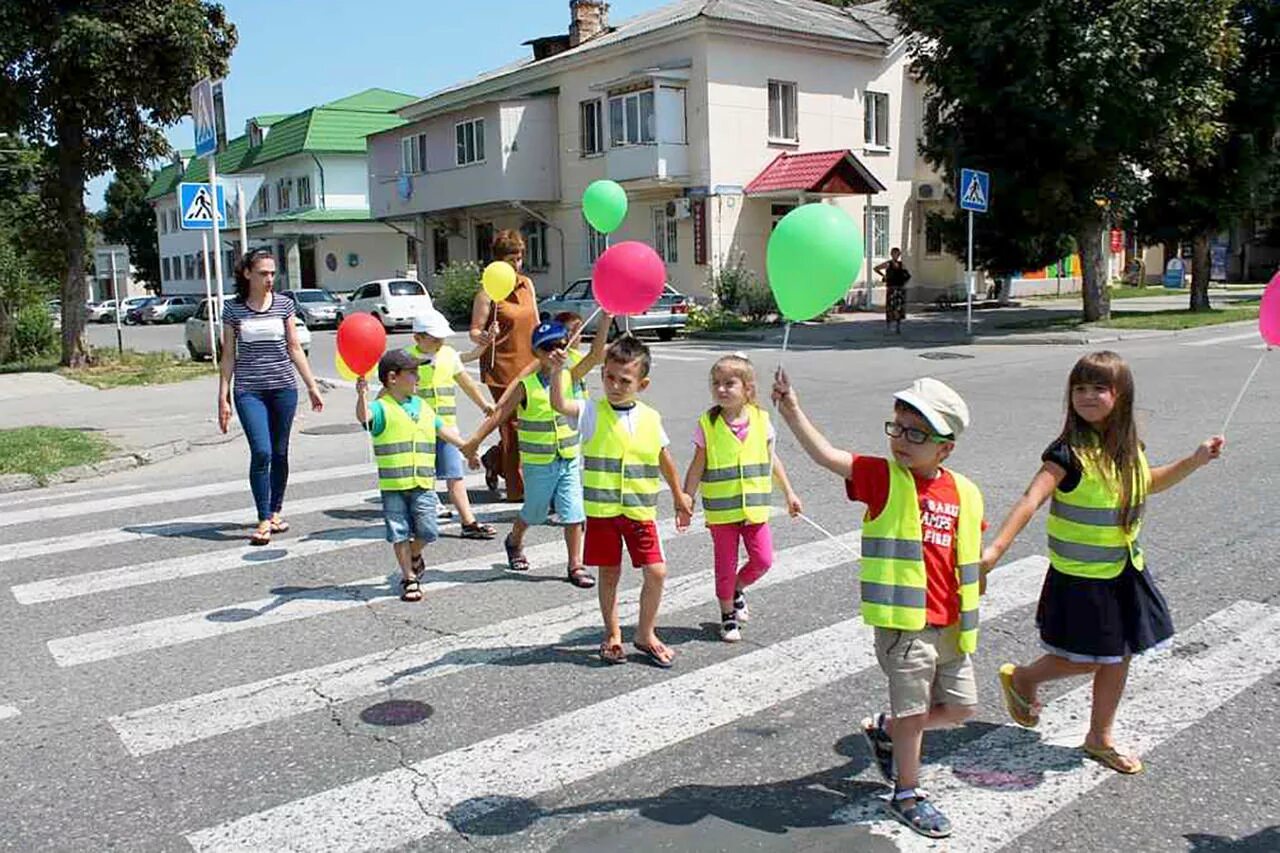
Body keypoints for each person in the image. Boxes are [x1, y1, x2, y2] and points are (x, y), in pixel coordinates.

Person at [980, 351, 1224, 775]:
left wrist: (1195, 460)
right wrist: (995, 551)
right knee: (1094, 657)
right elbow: (1031, 499)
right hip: (1081, 578)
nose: (1087, 396)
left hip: (1124, 571)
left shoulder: (1127, 449)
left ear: (1121, 396)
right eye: (1079, 388)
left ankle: (1099, 737)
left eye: (1099, 388)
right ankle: (1024, 679)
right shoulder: (1066, 454)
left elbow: (1148, 483)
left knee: (1120, 655)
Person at [771, 369, 983, 839]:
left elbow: (967, 554)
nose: (902, 441)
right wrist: (791, 410)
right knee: (913, 717)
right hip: (904, 627)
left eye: (917, 433)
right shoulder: (883, 478)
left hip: (952, 626)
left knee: (963, 708)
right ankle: (907, 793)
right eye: (898, 428)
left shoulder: (965, 492)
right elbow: (828, 456)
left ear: (945, 447)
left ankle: (886, 729)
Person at [548, 336, 693, 668]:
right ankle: (613, 635)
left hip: (640, 511)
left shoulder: (651, 417)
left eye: (624, 380)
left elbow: (661, 455)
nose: (614, 385)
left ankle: (645, 634)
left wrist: (678, 494)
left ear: (642, 384)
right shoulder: (590, 411)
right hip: (602, 513)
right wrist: (559, 372)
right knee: (609, 574)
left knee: (656, 572)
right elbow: (559, 404)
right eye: (609, 377)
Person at [464, 315, 610, 588]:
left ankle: (575, 564)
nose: (555, 351)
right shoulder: (527, 386)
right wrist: (473, 442)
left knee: (574, 512)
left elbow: (597, 353)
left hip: (568, 458)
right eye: (547, 347)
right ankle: (514, 540)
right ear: (536, 353)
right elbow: (499, 416)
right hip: (538, 464)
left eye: (560, 344)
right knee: (534, 512)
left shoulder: (572, 373)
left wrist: (606, 318)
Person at [676, 354, 802, 642]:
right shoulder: (708, 423)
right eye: (716, 383)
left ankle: (736, 588)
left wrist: (789, 493)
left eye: (729, 383)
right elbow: (697, 465)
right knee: (724, 564)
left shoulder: (761, 419)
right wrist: (686, 500)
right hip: (722, 514)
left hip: (755, 509)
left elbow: (773, 460)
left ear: (747, 388)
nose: (721, 389)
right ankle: (727, 615)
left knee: (763, 559)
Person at [217, 248, 324, 546]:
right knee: (261, 452)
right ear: (247, 274)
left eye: (272, 273)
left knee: (279, 452)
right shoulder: (233, 310)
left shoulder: (284, 305)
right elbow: (228, 356)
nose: (269, 279)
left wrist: (312, 386)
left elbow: (294, 347)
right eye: (263, 273)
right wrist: (223, 397)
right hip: (249, 390)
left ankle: (276, 509)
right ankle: (263, 518)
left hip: (283, 388)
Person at [356, 350, 480, 603]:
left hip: (423, 483)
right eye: (412, 373)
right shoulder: (381, 407)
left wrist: (465, 447)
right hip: (394, 485)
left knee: (429, 531)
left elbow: (441, 429)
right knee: (399, 532)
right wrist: (361, 395)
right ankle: (409, 577)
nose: (418, 378)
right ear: (393, 378)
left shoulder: (422, 405)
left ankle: (415, 552)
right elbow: (364, 417)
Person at [406, 309, 498, 539]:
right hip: (417, 429)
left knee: (455, 475)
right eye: (434, 339)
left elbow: (466, 383)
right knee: (421, 477)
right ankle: (419, 521)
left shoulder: (448, 354)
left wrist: (483, 404)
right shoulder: (406, 359)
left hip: (447, 428)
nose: (440, 342)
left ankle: (468, 522)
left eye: (442, 338)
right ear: (417, 338)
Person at [470, 229, 539, 502]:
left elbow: (533, 321)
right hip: (501, 367)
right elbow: (475, 330)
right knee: (511, 426)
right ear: (498, 261)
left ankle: (495, 459)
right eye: (511, 259)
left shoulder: (527, 285)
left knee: (530, 425)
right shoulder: (487, 292)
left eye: (520, 258)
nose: (516, 264)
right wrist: (484, 336)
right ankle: (517, 489)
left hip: (531, 364)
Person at [874, 247, 911, 335]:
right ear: (891, 254)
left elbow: (908, 276)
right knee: (890, 308)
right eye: (894, 253)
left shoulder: (901, 264)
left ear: (899, 255)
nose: (896, 255)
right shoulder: (888, 264)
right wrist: (884, 276)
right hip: (891, 288)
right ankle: (889, 327)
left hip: (899, 288)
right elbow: (876, 268)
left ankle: (898, 327)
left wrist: (904, 284)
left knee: (898, 308)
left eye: (897, 254)